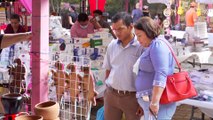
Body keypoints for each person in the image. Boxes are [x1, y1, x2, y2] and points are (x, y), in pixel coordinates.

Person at [102, 12, 144, 120]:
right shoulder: (112, 45)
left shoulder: (140, 46)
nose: (116, 33)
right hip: (112, 95)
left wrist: (143, 102)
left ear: (131, 27)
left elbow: (146, 76)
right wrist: (107, 90)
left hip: (132, 97)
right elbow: (108, 68)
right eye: (114, 29)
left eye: (120, 29)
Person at [133, 17, 176, 120]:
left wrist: (155, 102)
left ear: (148, 32)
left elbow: (161, 73)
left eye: (140, 36)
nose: (138, 40)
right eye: (136, 36)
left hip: (158, 102)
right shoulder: (154, 44)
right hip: (150, 101)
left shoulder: (157, 45)